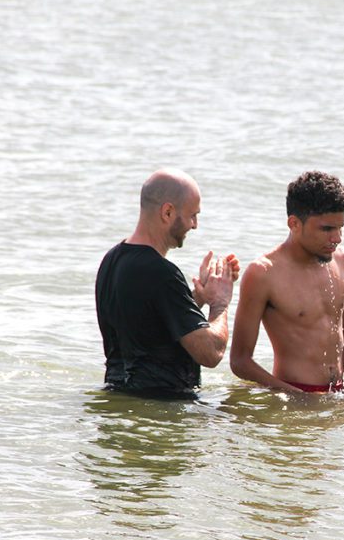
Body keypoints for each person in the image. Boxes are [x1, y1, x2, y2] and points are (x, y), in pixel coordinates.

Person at [95, 170, 240, 398]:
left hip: (118, 396)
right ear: (168, 212)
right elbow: (210, 352)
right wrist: (220, 303)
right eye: (192, 215)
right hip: (160, 405)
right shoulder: (161, 273)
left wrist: (197, 298)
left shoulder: (112, 260)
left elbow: (150, 326)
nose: (195, 225)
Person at [230, 171, 344, 394]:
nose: (337, 237)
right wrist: (296, 397)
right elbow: (240, 361)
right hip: (293, 398)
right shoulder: (263, 273)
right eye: (327, 229)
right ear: (294, 223)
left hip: (339, 396)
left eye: (341, 227)